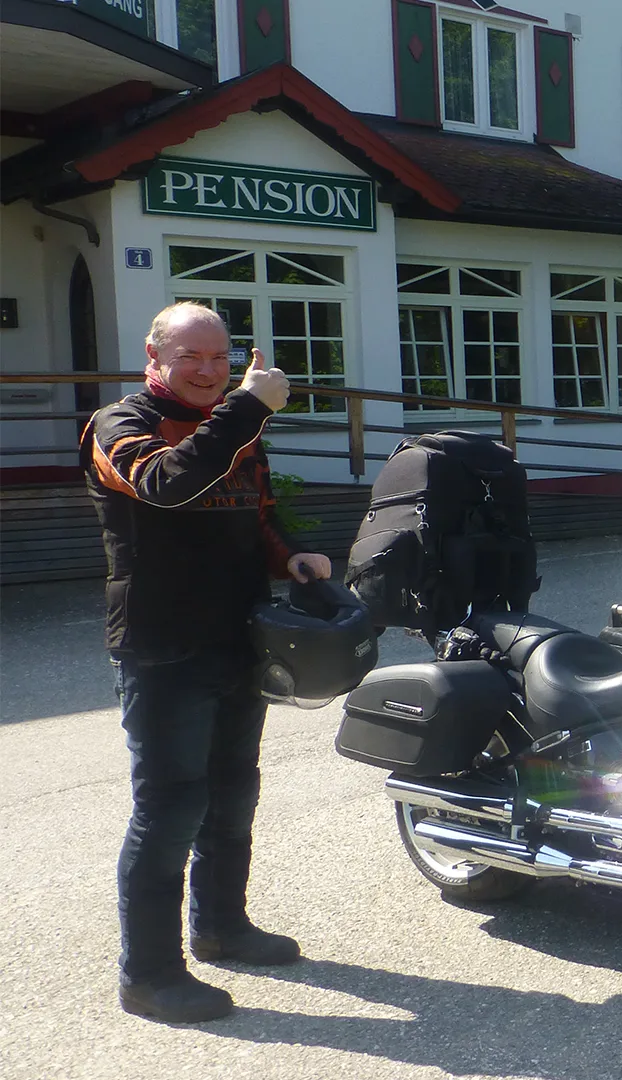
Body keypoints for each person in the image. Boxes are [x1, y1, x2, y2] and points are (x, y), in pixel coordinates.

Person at [85, 302, 331, 1023]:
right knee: (169, 809)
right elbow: (169, 483)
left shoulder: (235, 427)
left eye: (220, 358)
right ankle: (149, 975)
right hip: (162, 648)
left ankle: (223, 925)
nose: (207, 370)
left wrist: (292, 556)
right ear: (153, 360)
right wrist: (248, 405)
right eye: (191, 356)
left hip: (237, 638)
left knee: (232, 795)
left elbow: (254, 511)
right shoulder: (118, 426)